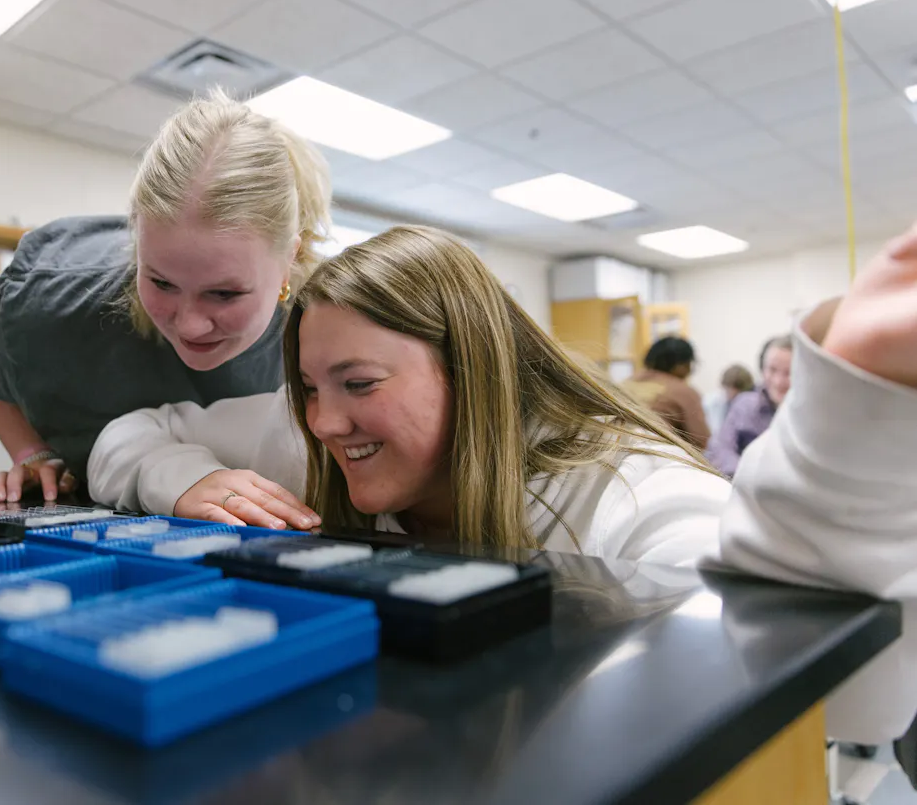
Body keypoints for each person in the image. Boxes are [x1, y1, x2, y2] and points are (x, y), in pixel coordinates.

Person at [89, 222, 917, 743]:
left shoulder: (620, 490)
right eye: (309, 388)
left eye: (359, 384)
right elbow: (129, 434)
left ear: (471, 370)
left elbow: (849, 707)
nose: (325, 421)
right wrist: (182, 480)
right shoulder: (311, 440)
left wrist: (853, 423)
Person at [0, 91, 332, 505]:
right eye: (161, 282)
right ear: (137, 244)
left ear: (289, 259)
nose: (190, 324)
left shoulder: (323, 325)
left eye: (224, 293)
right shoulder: (52, 296)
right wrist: (32, 453)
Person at [705, 335, 793, 477]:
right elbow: (721, 447)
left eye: (788, 373)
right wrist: (747, 475)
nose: (778, 382)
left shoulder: (813, 412)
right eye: (772, 370)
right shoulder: (744, 404)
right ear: (763, 370)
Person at [623, 337, 711, 449]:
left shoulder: (626, 383)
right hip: (658, 456)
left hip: (614, 454)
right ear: (681, 365)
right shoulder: (683, 391)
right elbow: (701, 440)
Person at [703, 364, 755, 436]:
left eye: (735, 390)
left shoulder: (751, 405)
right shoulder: (710, 402)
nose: (731, 394)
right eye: (728, 389)